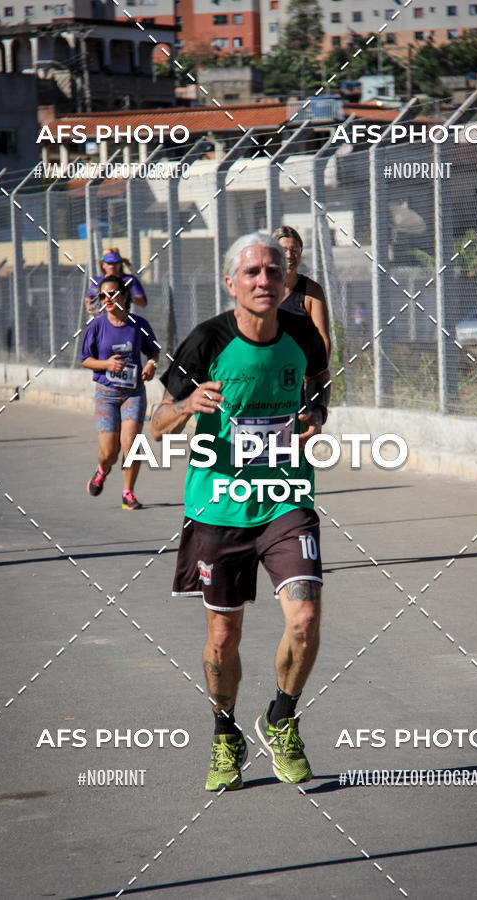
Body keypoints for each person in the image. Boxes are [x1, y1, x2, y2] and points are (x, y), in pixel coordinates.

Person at [151, 232, 330, 791]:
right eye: (251, 272)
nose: (263, 281)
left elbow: (317, 390)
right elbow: (157, 423)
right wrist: (185, 406)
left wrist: (314, 418)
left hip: (286, 498)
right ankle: (226, 732)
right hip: (217, 505)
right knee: (224, 637)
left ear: (285, 281)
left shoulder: (303, 332)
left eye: (273, 272)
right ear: (231, 282)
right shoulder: (206, 341)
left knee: (304, 617)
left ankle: (282, 715)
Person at [81, 275, 159, 510]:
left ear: (124, 296)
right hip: (106, 394)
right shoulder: (96, 326)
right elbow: (86, 359)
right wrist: (106, 365)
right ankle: (103, 469)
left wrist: (151, 366)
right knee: (109, 452)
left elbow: (154, 353)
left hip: (133, 393)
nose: (108, 299)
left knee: (132, 444)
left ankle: (128, 493)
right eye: (103, 296)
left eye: (113, 294)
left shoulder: (139, 325)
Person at [271, 225, 331, 360]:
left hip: (297, 373)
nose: (289, 256)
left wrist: (314, 375)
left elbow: (323, 340)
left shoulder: (311, 292)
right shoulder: (262, 289)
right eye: (283, 250)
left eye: (294, 250)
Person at [84, 249, 148, 316]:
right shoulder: (97, 281)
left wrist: (128, 295)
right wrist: (89, 305)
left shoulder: (129, 280)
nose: (112, 266)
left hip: (123, 319)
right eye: (109, 263)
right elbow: (88, 297)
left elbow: (143, 303)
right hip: (101, 319)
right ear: (103, 265)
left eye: (115, 263)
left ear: (120, 264)